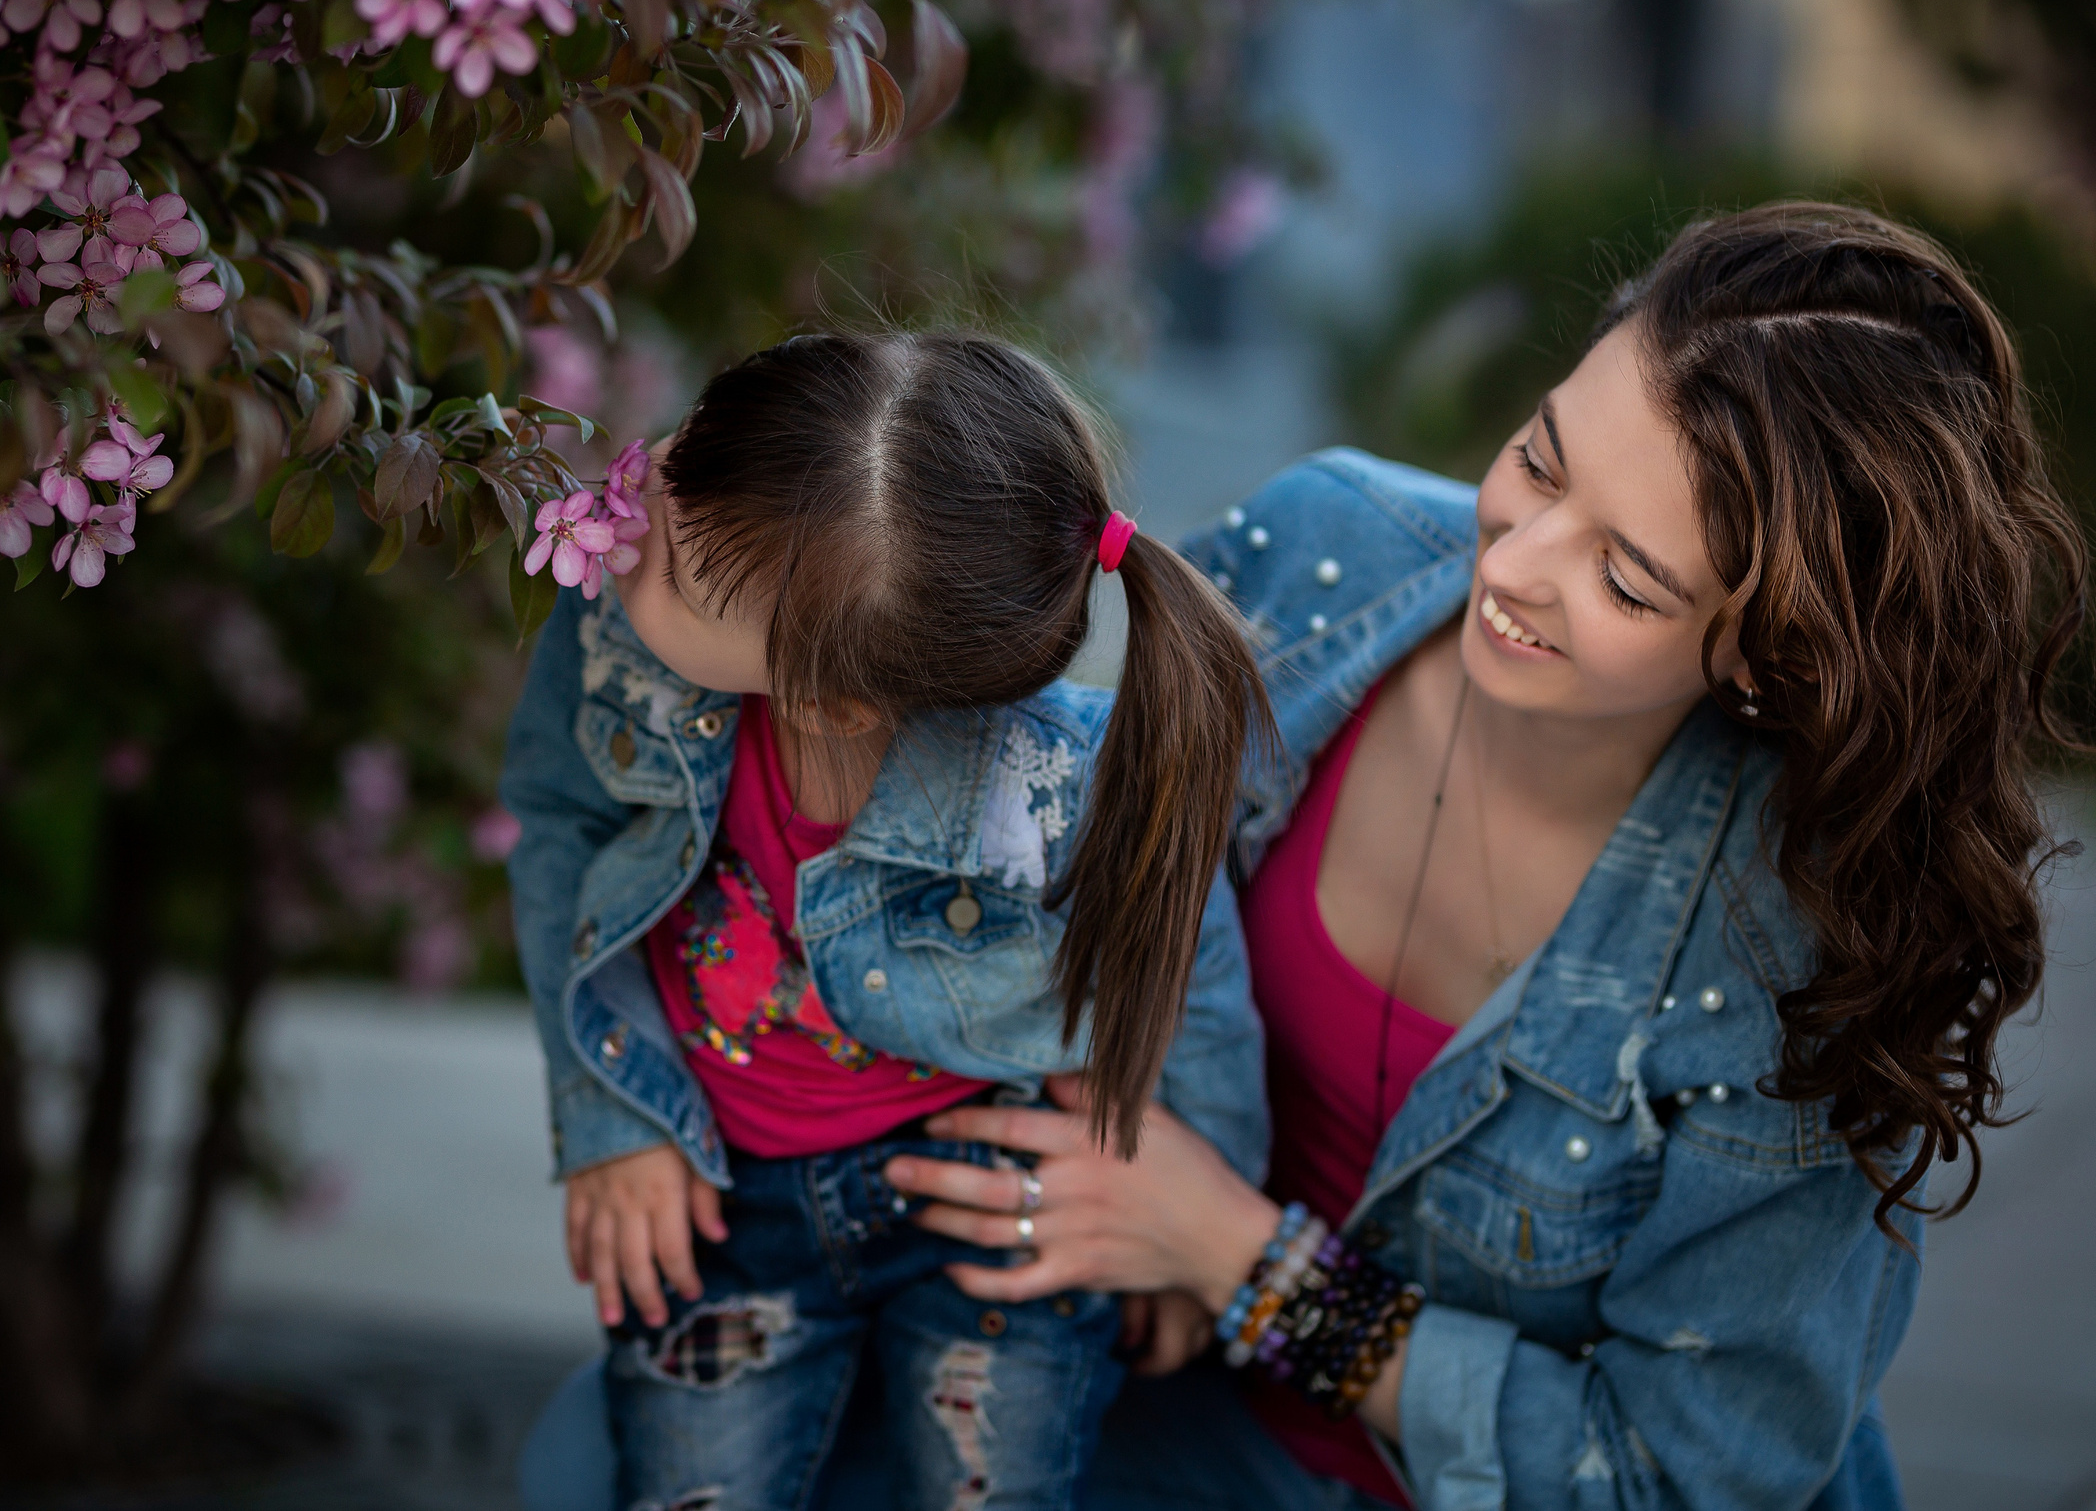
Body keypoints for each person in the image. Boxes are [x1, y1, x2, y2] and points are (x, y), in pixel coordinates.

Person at [871, 202, 2083, 1508]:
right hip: (1166, 1406)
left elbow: (1679, 1473)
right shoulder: (1321, 552)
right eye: (1540, 461)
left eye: (1630, 580)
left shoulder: (1795, 957)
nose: (1514, 561)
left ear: (1769, 652)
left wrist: (1237, 1256)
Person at [500, 332, 1274, 1511]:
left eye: (686, 577)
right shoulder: (616, 645)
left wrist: (1177, 1232)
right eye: (690, 444)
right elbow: (558, 828)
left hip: (985, 1213)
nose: (640, 519)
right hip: (727, 1202)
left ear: (827, 697)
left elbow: (1186, 968)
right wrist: (608, 1119)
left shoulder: (1053, 785)